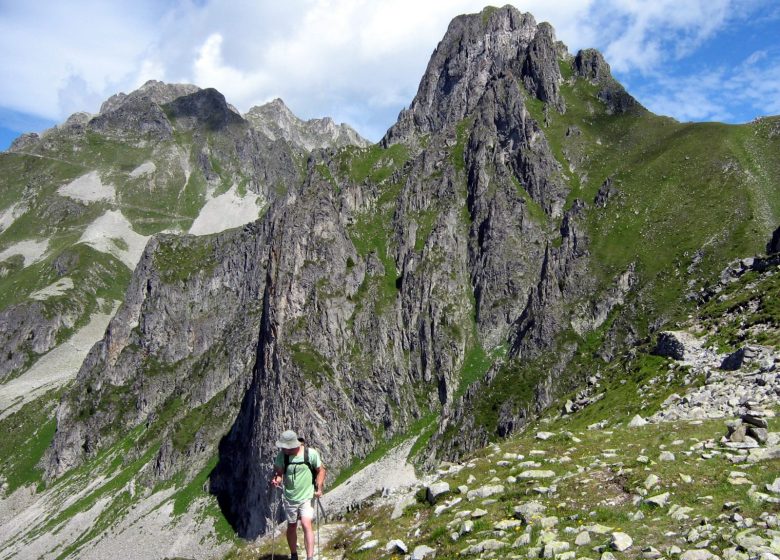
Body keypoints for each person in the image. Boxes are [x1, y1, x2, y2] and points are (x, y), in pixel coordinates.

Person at [270, 430, 326, 560]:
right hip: (290, 497)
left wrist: (319, 486)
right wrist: (276, 480)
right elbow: (279, 474)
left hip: (307, 495)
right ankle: (294, 555)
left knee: (306, 524)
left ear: (293, 445)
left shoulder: (310, 454)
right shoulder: (281, 456)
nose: (284, 449)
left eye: (286, 447)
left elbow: (321, 470)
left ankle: (310, 557)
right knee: (292, 525)